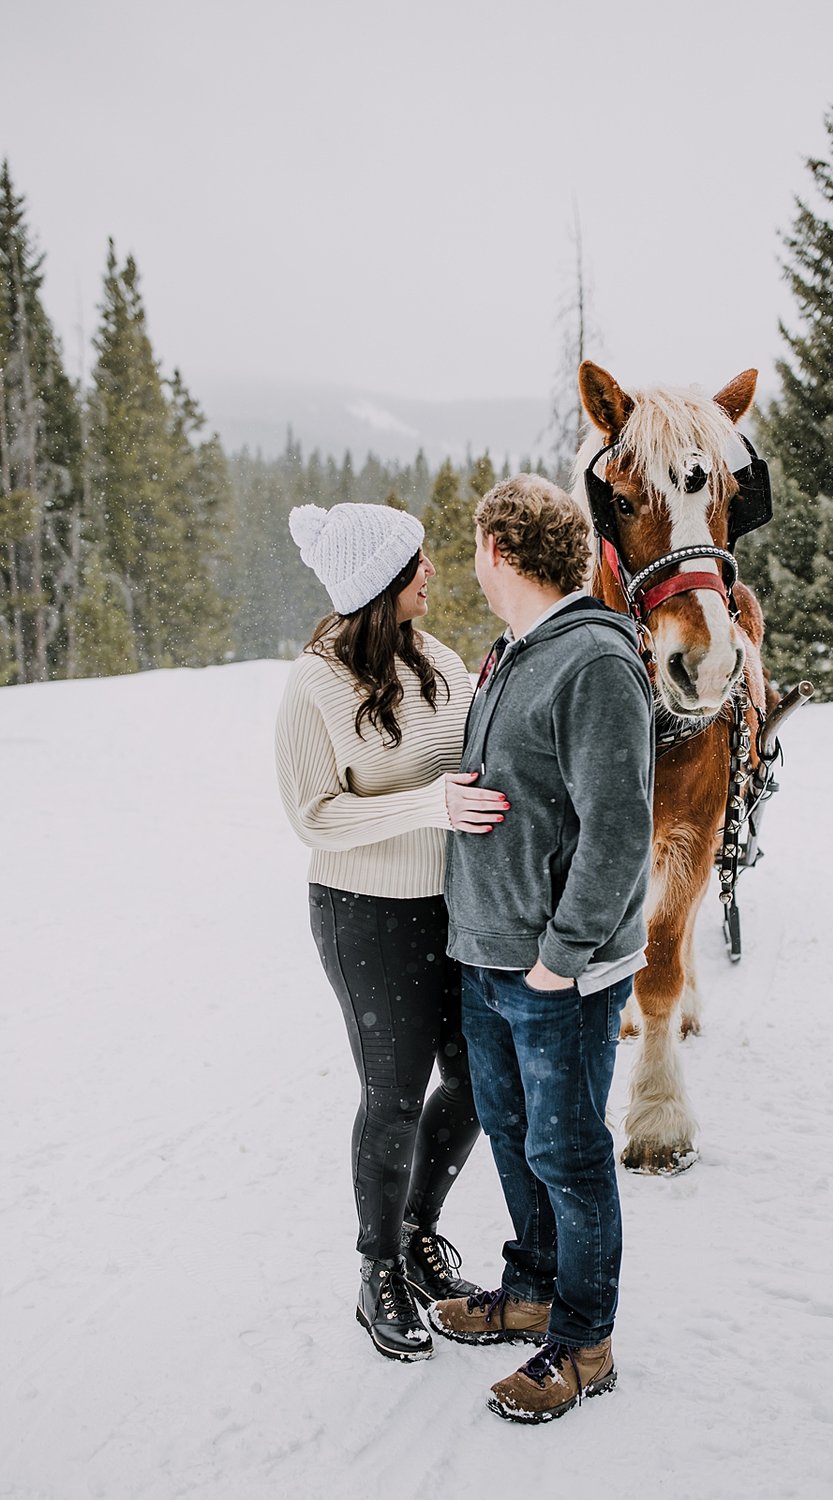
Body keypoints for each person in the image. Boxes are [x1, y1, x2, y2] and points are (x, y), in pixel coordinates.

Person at [431, 474, 655, 1423]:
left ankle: (584, 1340)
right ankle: (530, 1287)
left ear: (499, 552)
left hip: (554, 968)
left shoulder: (593, 662)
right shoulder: (514, 653)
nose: (472, 564)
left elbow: (618, 829)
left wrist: (561, 957)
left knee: (569, 1151)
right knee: (517, 1136)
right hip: (492, 954)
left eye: (476, 547)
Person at [274, 501, 508, 1363]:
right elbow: (312, 816)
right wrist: (429, 805)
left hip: (453, 907)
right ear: (378, 582)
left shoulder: (437, 656)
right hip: (365, 914)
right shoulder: (316, 682)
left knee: (482, 1080)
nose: (434, 573)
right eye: (416, 563)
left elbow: (467, 762)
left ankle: (415, 1231)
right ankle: (377, 1272)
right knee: (396, 1096)